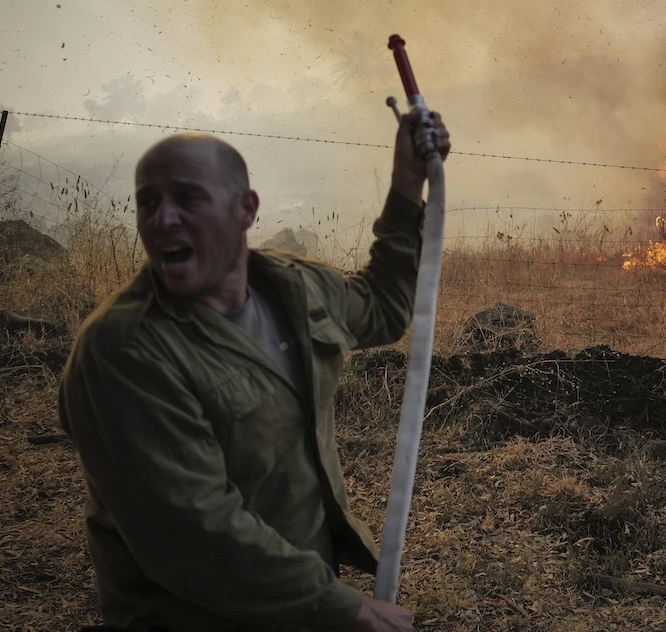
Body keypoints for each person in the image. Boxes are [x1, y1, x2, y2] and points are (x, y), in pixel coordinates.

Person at [58, 109, 450, 632]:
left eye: (187, 197)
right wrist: (340, 607)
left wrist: (407, 182)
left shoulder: (294, 286)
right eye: (148, 202)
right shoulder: (124, 350)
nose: (162, 218)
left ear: (246, 209)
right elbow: (193, 533)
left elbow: (381, 306)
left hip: (291, 592)